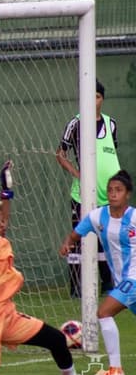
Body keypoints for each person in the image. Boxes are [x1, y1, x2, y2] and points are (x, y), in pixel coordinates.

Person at [0, 161, 98, 375]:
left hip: (7, 316)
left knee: (57, 340)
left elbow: (1, 218)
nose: (3, 223)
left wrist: (6, 192)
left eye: (2, 219)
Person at [59, 170, 136, 375]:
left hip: (134, 278)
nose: (113, 194)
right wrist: (67, 244)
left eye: (118, 190)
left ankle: (116, 370)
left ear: (127, 194)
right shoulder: (97, 216)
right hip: (123, 281)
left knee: (103, 313)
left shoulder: (135, 218)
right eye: (110, 190)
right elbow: (77, 233)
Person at [56, 79, 120, 298]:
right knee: (79, 238)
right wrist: (77, 174)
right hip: (82, 195)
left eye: (97, 97)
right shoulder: (75, 124)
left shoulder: (111, 124)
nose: (93, 101)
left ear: (102, 99)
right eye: (89, 97)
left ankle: (109, 283)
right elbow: (60, 154)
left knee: (108, 238)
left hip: (108, 195)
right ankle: (76, 287)